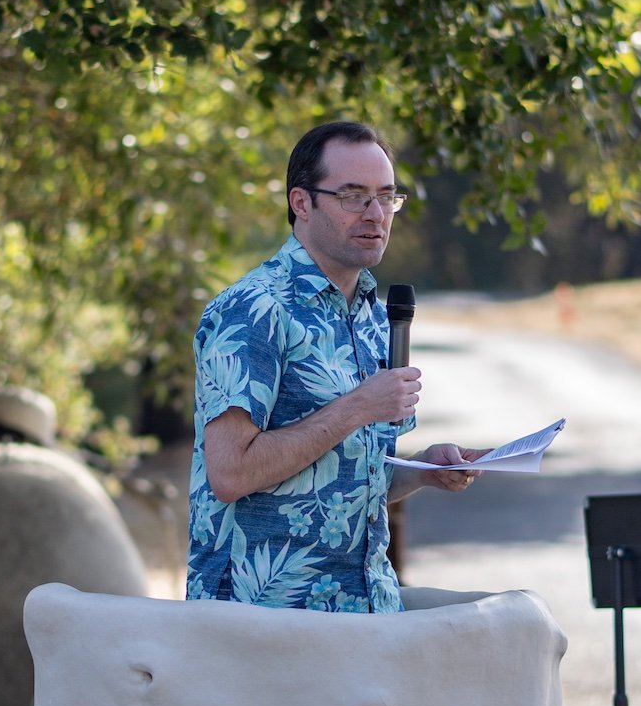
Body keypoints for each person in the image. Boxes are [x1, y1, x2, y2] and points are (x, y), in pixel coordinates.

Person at [186, 120, 482, 612]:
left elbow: (342, 484)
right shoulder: (252, 310)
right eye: (353, 196)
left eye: (386, 197)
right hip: (262, 622)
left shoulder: (375, 315)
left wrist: (422, 470)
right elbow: (231, 474)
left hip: (365, 608)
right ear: (302, 203)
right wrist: (357, 407)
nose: (375, 214)